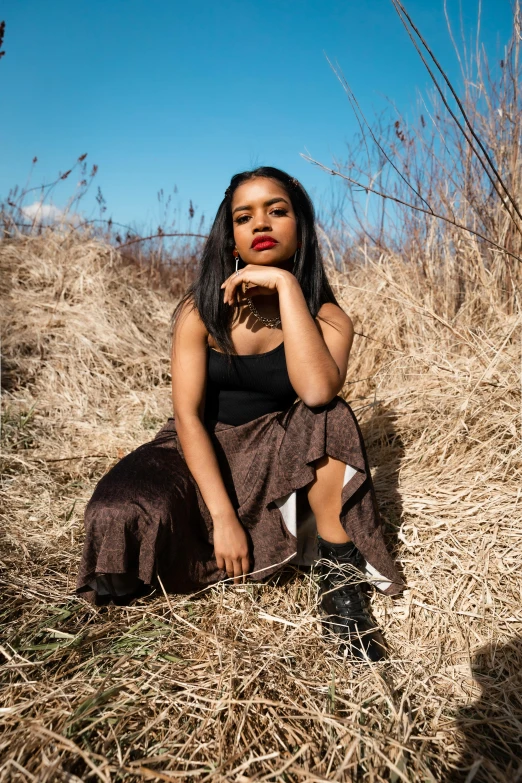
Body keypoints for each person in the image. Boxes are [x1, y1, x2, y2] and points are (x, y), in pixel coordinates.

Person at [76, 166, 404, 662]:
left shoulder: (330, 319)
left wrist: (287, 290)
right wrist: (224, 517)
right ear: (231, 237)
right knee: (116, 516)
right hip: (198, 446)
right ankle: (222, 541)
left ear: (301, 226)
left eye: (277, 211)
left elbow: (316, 393)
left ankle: (340, 579)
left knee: (332, 414)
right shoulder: (200, 311)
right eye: (244, 216)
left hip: (277, 447)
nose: (261, 224)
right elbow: (186, 416)